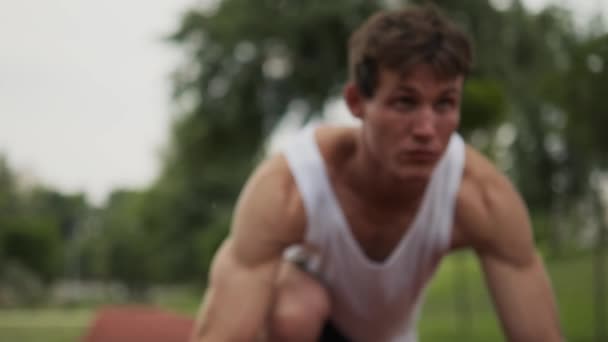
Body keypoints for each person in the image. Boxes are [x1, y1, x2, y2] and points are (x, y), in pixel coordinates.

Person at [190, 5, 563, 342]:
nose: (426, 129)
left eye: (445, 103)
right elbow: (222, 334)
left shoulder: (479, 195)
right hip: (305, 324)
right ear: (356, 102)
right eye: (405, 102)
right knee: (295, 312)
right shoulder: (292, 187)